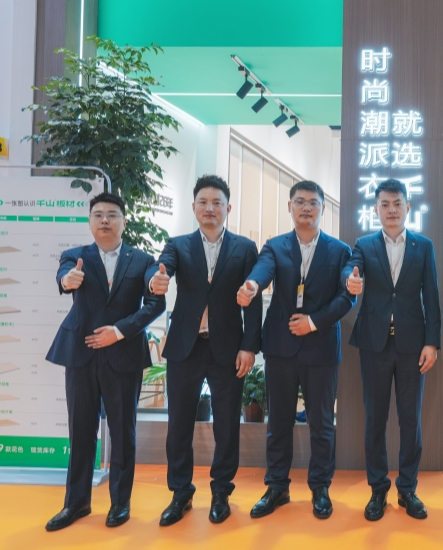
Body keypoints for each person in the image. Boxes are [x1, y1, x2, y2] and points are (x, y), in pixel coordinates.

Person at [45, 193, 165, 531]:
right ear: (90, 222)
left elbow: (155, 302)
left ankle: (120, 503)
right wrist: (66, 280)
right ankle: (76, 503)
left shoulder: (142, 260)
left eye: (112, 214)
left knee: (123, 432)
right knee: (81, 431)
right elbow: (64, 275)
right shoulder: (75, 257)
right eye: (97, 214)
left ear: (124, 221)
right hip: (81, 354)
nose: (105, 220)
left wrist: (120, 330)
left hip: (123, 355)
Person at [147, 175, 262, 526]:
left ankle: (221, 492)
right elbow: (161, 267)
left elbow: (252, 302)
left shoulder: (245, 248)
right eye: (203, 202)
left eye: (217, 203)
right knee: (179, 425)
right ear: (193, 207)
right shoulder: (178, 245)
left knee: (226, 425)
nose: (210, 208)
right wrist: (155, 279)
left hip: (228, 349)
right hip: (186, 347)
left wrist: (249, 347)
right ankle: (180, 493)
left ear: (228, 208)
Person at [237, 180, 355, 520]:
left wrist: (314, 322)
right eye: (300, 201)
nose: (306, 207)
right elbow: (262, 271)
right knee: (278, 423)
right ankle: (277, 487)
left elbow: (347, 295)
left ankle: (320, 487)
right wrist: (252, 285)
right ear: (289, 206)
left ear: (322, 209)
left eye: (313, 202)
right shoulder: (275, 246)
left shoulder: (339, 251)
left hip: (321, 347)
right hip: (281, 346)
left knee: (322, 423)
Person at [342, 179, 441, 521]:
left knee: (411, 419)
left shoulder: (423, 246)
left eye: (397, 203)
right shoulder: (364, 245)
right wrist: (350, 280)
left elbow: (432, 296)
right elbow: (351, 269)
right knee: (375, 419)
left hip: (413, 346)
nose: (391, 210)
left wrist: (432, 342)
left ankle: (408, 489)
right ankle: (378, 489)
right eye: (384, 204)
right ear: (376, 209)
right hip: (375, 344)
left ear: (408, 207)